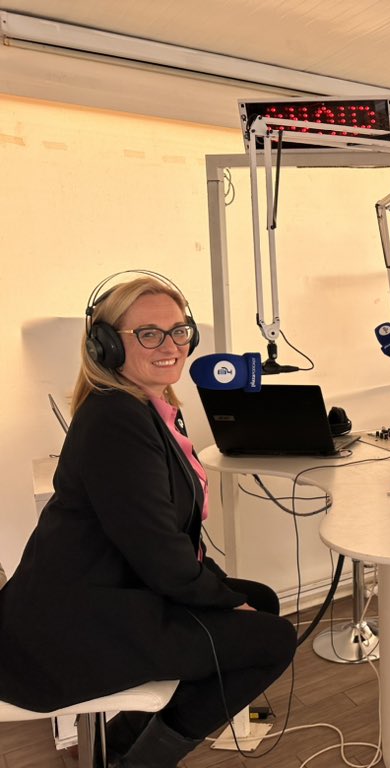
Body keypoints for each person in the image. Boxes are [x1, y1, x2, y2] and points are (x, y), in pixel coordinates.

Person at [0, 275, 296, 768]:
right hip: (78, 618)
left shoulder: (148, 408)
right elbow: (160, 552)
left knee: (261, 601)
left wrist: (230, 598)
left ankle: (117, 747)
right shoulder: (117, 418)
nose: (171, 345)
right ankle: (140, 762)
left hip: (112, 589)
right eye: (149, 334)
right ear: (108, 343)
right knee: (272, 640)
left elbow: (170, 539)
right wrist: (227, 602)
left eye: (180, 331)